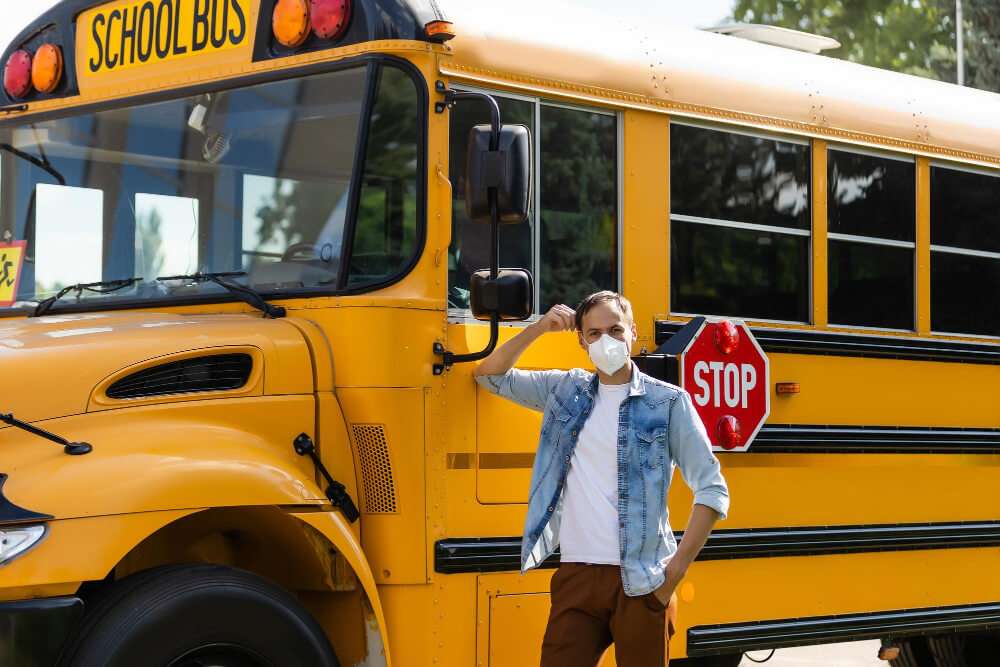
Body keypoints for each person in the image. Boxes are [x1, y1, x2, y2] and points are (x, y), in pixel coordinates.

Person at [474, 291, 730, 667]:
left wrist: (672, 576)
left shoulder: (668, 402)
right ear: (581, 341)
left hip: (644, 581)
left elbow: (712, 489)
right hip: (577, 575)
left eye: (614, 329)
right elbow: (489, 376)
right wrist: (540, 327)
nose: (605, 340)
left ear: (632, 333)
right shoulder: (565, 391)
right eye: (593, 333)